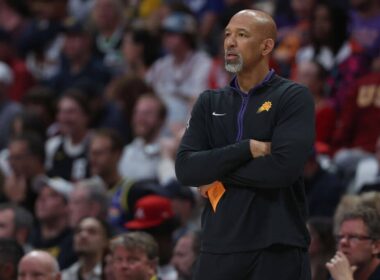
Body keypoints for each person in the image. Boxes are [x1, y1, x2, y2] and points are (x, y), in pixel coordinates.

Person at [175, 9, 315, 280]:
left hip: (277, 245)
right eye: (227, 34)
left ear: (266, 46)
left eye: (242, 35)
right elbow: (185, 169)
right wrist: (247, 148)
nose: (230, 42)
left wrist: (215, 171)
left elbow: (282, 170)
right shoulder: (209, 102)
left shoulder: (293, 97)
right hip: (217, 246)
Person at [326, 206, 380, 280]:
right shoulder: (337, 274)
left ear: (376, 246)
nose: (343, 242)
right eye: (340, 237)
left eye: (353, 237)